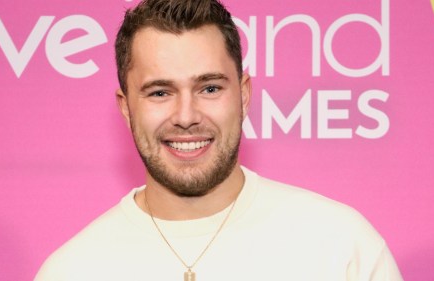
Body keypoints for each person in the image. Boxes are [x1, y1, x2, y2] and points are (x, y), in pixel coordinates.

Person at [34, 0, 404, 280]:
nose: (186, 116)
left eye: (209, 87)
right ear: (127, 107)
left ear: (244, 94)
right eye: (160, 92)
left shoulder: (340, 246)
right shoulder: (72, 271)